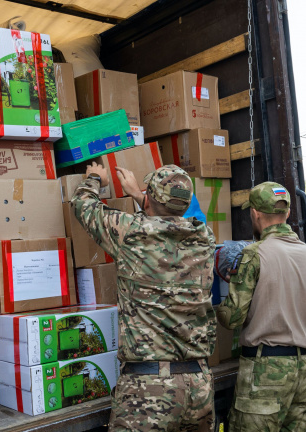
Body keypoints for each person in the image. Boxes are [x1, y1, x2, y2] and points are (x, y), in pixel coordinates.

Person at [71, 162, 217, 431]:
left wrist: (95, 178)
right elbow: (170, 219)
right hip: (199, 386)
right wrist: (143, 199)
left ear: (149, 198)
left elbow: (83, 205)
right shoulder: (204, 237)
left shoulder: (130, 232)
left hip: (148, 392)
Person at [217, 181, 306, 432]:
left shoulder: (254, 254)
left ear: (254, 213)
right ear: (286, 213)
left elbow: (232, 317)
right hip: (305, 372)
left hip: (266, 373)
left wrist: (209, 307)